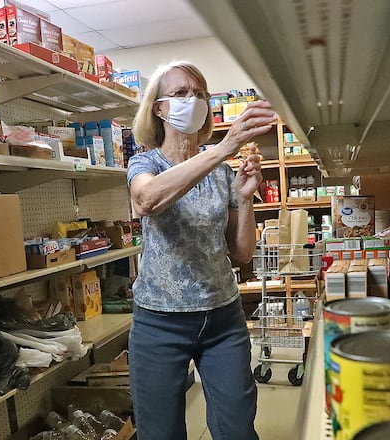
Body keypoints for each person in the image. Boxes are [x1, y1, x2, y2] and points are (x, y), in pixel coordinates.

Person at [126, 60, 277, 440]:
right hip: (160, 323)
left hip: (222, 318)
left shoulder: (222, 172)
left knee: (237, 429)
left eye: (199, 95)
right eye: (180, 94)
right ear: (159, 108)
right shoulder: (144, 162)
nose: (192, 101)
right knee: (159, 432)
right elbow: (146, 200)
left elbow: (242, 253)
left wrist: (245, 200)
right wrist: (226, 146)